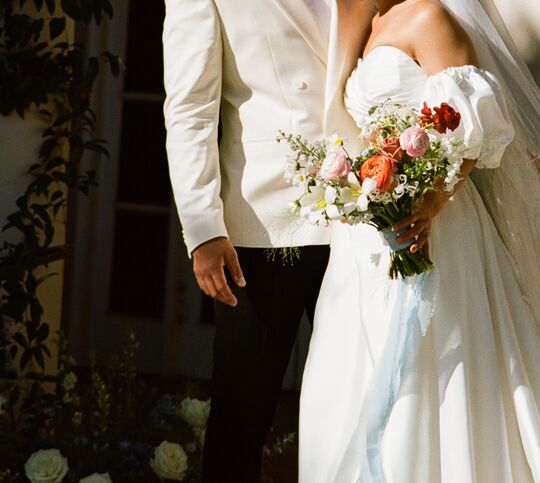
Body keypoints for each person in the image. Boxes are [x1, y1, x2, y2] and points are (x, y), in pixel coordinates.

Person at [299, 0, 540, 481]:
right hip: (368, 240)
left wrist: (431, 205)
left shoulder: (430, 17)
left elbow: (471, 128)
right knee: (353, 375)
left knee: (443, 372)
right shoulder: (369, 26)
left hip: (438, 226)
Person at [162, 0, 333, 480]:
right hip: (265, 222)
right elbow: (191, 107)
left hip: (363, 218)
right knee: (242, 413)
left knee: (362, 400)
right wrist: (203, 227)